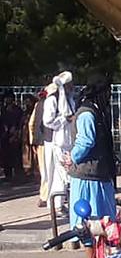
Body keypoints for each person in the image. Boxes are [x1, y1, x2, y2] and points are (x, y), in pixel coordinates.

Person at [64, 74, 117, 258]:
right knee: (90, 219)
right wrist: (73, 156)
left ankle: (102, 257)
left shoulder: (94, 111)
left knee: (102, 218)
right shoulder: (87, 113)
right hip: (88, 177)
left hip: (97, 175)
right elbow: (86, 141)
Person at [43, 71, 76, 199]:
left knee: (63, 174)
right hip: (59, 141)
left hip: (70, 141)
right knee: (60, 173)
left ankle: (60, 203)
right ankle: (58, 202)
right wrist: (65, 120)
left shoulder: (70, 99)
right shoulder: (52, 100)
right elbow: (47, 121)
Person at [29, 88, 51, 206]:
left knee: (44, 170)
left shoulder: (38, 105)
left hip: (40, 142)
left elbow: (31, 124)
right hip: (51, 141)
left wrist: (33, 141)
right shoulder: (53, 103)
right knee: (51, 170)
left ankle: (44, 195)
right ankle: (47, 195)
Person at [0, 93, 23, 182]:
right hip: (4, 135)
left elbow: (20, 121)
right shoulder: (3, 109)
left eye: (8, 98)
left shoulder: (17, 110)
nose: (6, 100)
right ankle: (7, 174)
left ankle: (17, 174)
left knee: (15, 155)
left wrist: (16, 129)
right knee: (5, 156)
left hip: (14, 135)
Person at [21, 95, 38, 179]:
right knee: (26, 152)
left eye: (28, 101)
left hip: (33, 135)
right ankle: (27, 170)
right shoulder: (25, 112)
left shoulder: (34, 111)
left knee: (34, 153)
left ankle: (35, 171)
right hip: (25, 135)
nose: (27, 103)